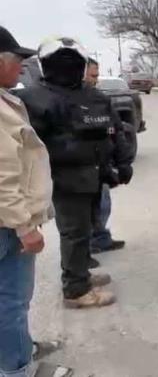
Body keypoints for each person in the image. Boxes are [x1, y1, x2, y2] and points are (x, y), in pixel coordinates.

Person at [16, 37, 132, 308]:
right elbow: (27, 148)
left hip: (95, 175)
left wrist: (121, 163)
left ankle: (81, 274)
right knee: (74, 232)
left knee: (87, 230)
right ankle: (75, 290)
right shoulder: (33, 99)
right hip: (64, 179)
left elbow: (114, 131)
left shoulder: (93, 96)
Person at [1, 25, 73, 376]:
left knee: (9, 302)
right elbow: (2, 176)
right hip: (7, 225)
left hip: (8, 222)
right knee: (11, 301)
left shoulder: (5, 99)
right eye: (17, 59)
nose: (22, 67)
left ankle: (19, 349)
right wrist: (24, 226)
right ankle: (17, 369)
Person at [84, 58, 127, 255]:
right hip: (85, 167)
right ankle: (85, 250)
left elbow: (114, 128)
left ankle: (100, 238)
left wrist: (121, 159)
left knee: (103, 204)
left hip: (102, 163)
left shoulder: (98, 99)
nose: (96, 79)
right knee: (92, 209)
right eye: (93, 75)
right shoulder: (74, 102)